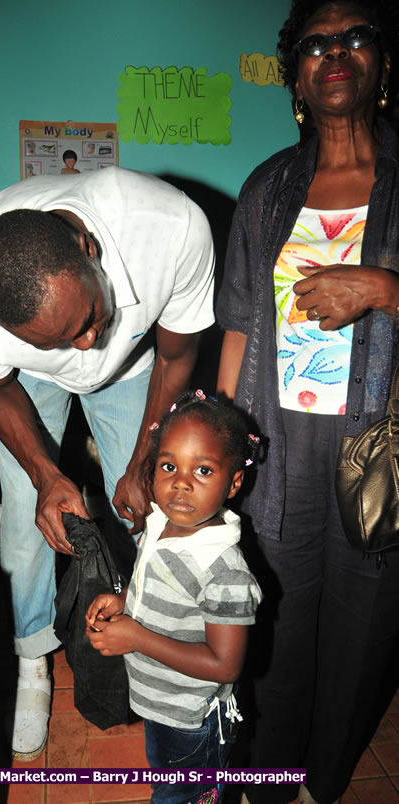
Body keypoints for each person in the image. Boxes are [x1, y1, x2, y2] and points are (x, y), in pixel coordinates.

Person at [0, 165, 215, 760]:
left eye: (90, 316)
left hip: (139, 366)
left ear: (89, 250)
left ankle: (154, 651)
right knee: (25, 523)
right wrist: (45, 475)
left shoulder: (170, 229)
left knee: (157, 513)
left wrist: (144, 462)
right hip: (27, 384)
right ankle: (32, 657)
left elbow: (179, 352)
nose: (87, 345)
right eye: (63, 336)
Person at [216, 2, 399, 803]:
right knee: (277, 628)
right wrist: (222, 448)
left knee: (363, 633)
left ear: (383, 65)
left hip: (380, 449)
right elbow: (234, 328)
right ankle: (271, 776)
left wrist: (386, 288)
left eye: (355, 36)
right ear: (296, 75)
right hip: (277, 442)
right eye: (316, 43)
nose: (335, 53)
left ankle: (324, 782)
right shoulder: (266, 189)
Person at [86, 390, 262, 804]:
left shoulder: (225, 572)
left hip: (192, 717)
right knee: (166, 779)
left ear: (234, 482)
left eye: (202, 470)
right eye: (169, 466)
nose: (181, 482)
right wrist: (125, 600)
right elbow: (155, 579)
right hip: (162, 701)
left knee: (180, 795)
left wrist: (136, 638)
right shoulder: (161, 521)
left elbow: (225, 665)